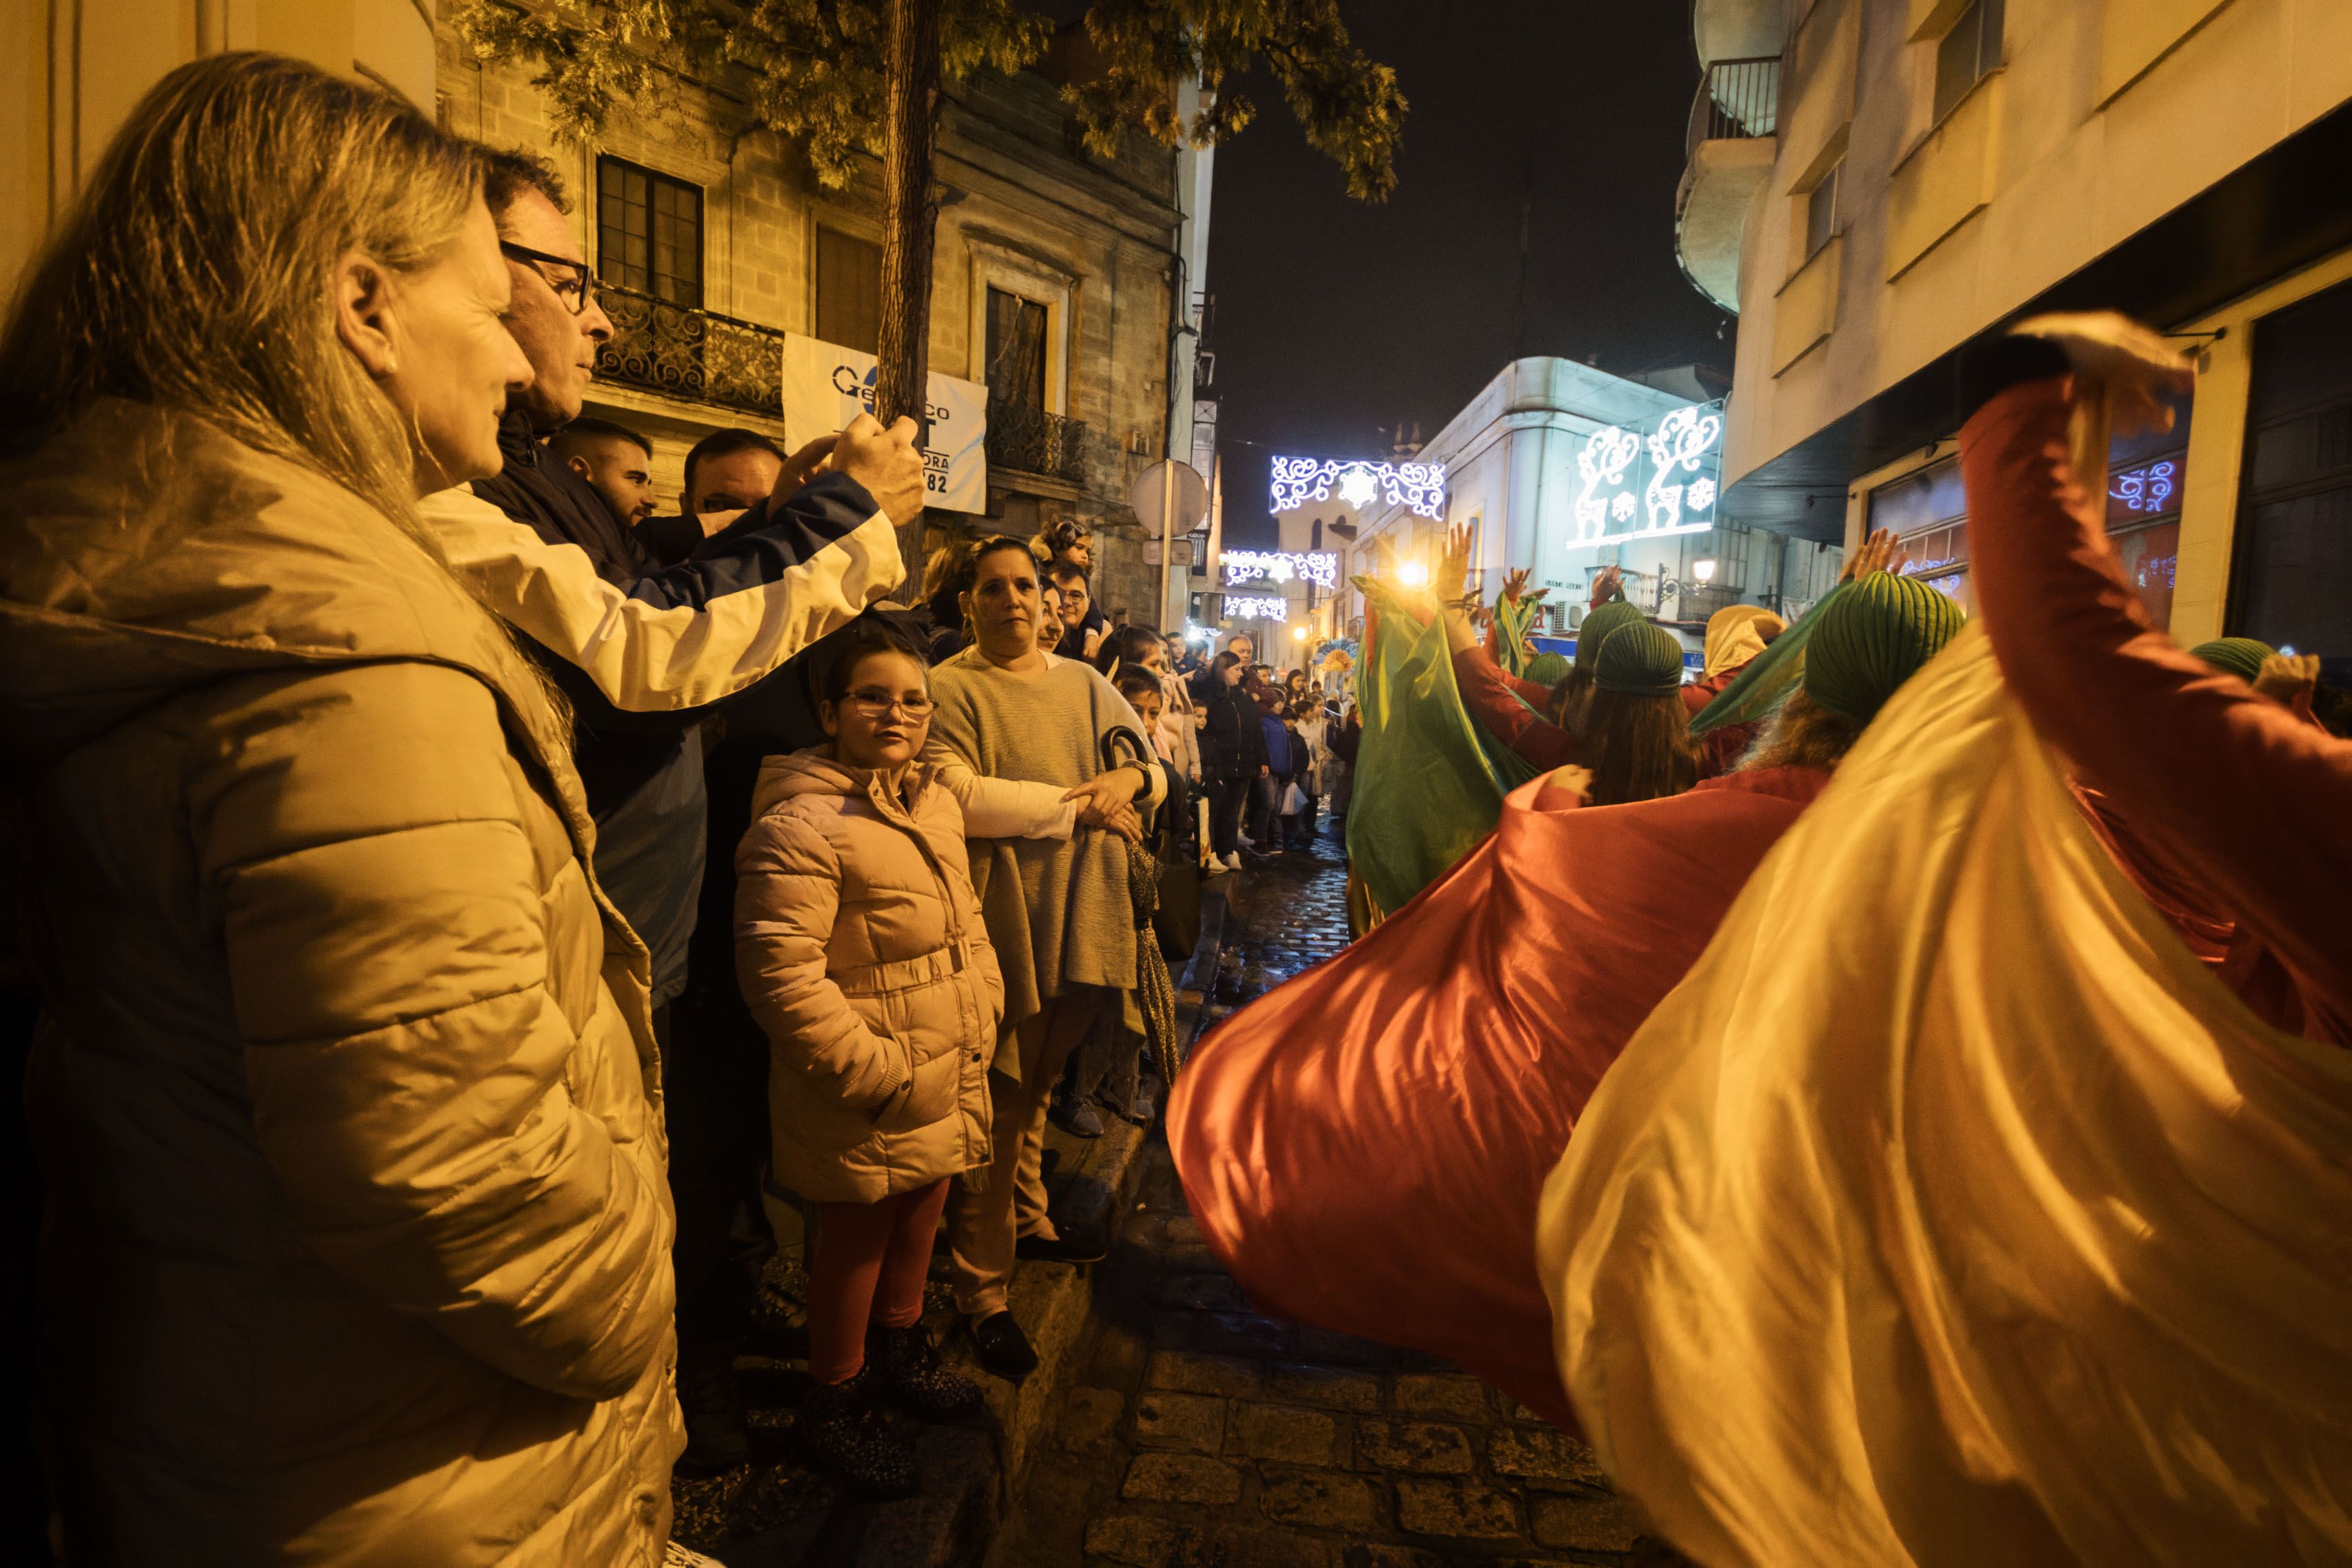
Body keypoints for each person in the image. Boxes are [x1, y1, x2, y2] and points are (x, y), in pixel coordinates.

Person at [0, 55, 681, 1562]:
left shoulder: (183, 572)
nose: (520, 360)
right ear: (363, 306)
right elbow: (457, 1160)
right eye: (490, 303)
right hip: (413, 1464)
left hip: (240, 1416)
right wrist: (641, 1278)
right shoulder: (349, 652)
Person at [1166, 569, 1963, 1430]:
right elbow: (1731, 685)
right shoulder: (1941, 824)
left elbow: (1501, 698)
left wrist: (1459, 643)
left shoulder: (1667, 779)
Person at [417, 143, 918, 1472]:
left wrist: (804, 511)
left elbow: (647, 583)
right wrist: (845, 515)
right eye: (564, 281)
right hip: (569, 974)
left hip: (636, 954)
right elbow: (647, 638)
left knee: (693, 1171)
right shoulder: (450, 498)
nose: (599, 321)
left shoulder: (522, 479)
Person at [733, 625, 1003, 1496]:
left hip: (942, 1058)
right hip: (870, 1080)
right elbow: (780, 977)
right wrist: (878, 1074)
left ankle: (902, 1349)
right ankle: (834, 1399)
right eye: (873, 697)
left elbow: (966, 924)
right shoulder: (799, 824)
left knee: (924, 1208)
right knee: (853, 1239)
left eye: (914, 700)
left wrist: (984, 1005)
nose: (897, 714)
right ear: (831, 712)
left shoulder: (932, 803)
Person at [923, 538, 1163, 1376]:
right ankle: (982, 1290)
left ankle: (1027, 1218)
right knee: (1000, 1099)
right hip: (1007, 916)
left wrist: (1129, 784)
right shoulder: (948, 686)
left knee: (1034, 1090)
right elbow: (958, 793)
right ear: (969, 604)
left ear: (1047, 599)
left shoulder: (1086, 684)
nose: (1014, 599)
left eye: (1025, 585)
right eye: (993, 587)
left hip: (1084, 912)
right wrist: (1085, 805)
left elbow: (1150, 767)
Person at [1200, 651, 1268, 873]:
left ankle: (1229, 850)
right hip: (1219, 764)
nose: (1241, 674)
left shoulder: (1244, 698)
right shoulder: (1210, 696)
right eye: (1236, 669)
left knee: (1232, 811)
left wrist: (1262, 759)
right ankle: (1210, 852)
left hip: (1244, 764)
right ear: (1223, 669)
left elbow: (1256, 730)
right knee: (1213, 810)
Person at [545, 413, 656, 529]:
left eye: (648, 484)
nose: (652, 501)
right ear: (578, 471)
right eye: (635, 479)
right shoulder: (544, 532)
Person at [1046, 559, 1103, 661]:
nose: (1067, 602)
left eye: (1075, 596)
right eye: (1059, 594)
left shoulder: (1099, 642)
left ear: (1089, 601)